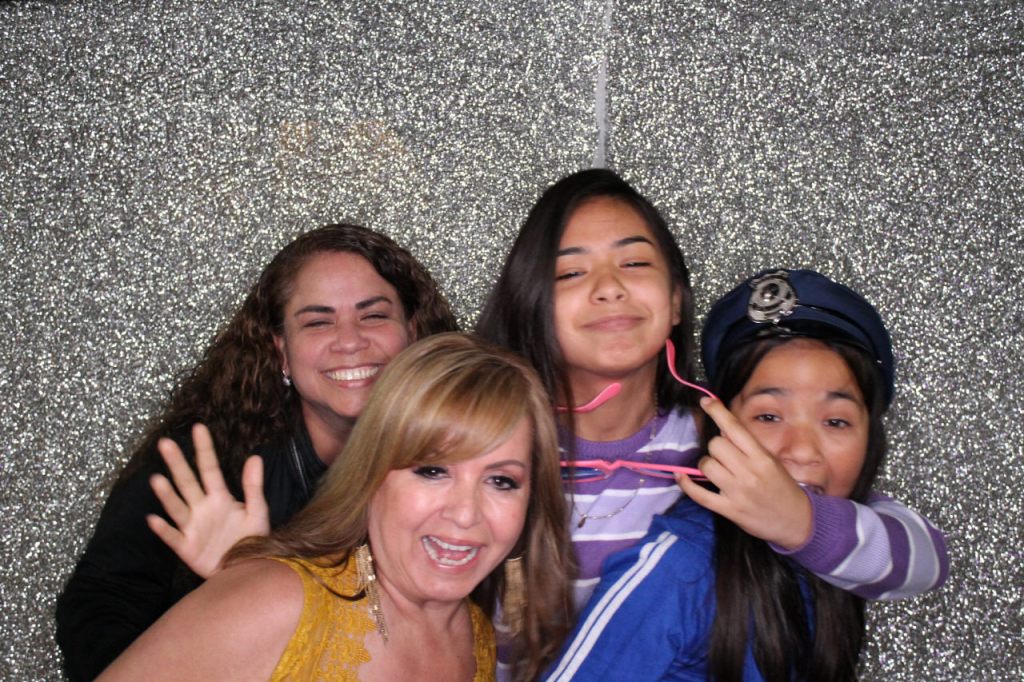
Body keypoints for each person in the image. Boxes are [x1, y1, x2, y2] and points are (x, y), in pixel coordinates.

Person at [475, 169, 947, 620]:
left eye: (634, 263)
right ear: (532, 302)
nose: (610, 289)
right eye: (571, 272)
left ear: (676, 301)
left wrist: (800, 521)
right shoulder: (489, 441)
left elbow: (925, 560)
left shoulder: (725, 443)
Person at [56, 224, 458, 680]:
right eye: (318, 321)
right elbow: (99, 605)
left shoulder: (464, 457)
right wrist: (232, 593)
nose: (350, 341)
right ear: (280, 350)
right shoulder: (208, 457)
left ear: (414, 332)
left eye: (374, 316)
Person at [98, 333, 574, 681]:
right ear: (372, 472)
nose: (466, 513)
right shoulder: (278, 601)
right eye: (431, 470)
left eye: (501, 481)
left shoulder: (477, 637)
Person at [545, 268, 932, 680]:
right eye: (768, 416)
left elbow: (928, 561)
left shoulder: (848, 528)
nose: (802, 450)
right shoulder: (681, 565)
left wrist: (801, 524)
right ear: (722, 427)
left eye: (836, 421)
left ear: (870, 440)